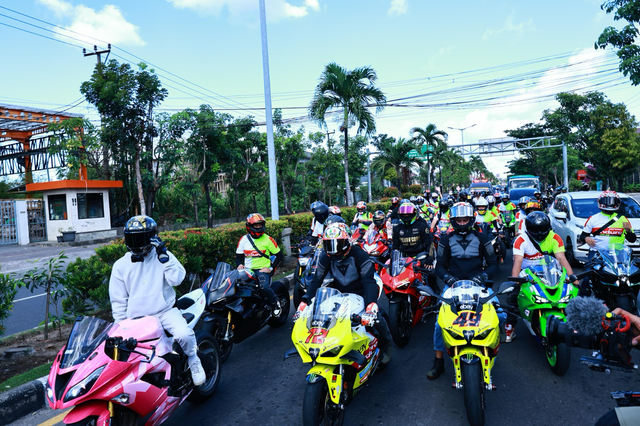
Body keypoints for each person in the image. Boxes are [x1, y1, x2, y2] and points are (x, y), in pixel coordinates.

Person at [109, 215, 206, 386]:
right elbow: (118, 301)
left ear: (151, 237)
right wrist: (120, 326)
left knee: (184, 334)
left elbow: (177, 279)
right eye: (132, 238)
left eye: (140, 238)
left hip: (164, 312)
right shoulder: (121, 265)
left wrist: (164, 256)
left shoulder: (163, 256)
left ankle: (193, 358)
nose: (136, 243)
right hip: (136, 320)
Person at [293, 223, 393, 365]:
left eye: (337, 244)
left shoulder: (360, 255)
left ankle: (386, 345)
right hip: (340, 292)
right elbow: (316, 281)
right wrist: (304, 302)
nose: (334, 250)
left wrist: (371, 305)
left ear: (347, 241)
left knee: (377, 318)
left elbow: (368, 282)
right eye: (329, 245)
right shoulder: (325, 256)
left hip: (362, 291)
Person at [427, 202, 501, 380]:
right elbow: (440, 267)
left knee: (500, 316)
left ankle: (490, 351)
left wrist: (482, 277)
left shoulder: (483, 239)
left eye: (465, 219)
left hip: (479, 284)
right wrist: (448, 279)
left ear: (472, 219)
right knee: (440, 324)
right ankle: (438, 361)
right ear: (453, 221)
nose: (461, 223)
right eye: (458, 220)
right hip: (453, 285)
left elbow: (493, 263)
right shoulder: (445, 240)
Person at [509, 211, 578, 342]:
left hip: (549, 270)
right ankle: (510, 325)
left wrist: (572, 276)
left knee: (569, 291)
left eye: (543, 229)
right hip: (526, 272)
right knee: (513, 297)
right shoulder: (520, 240)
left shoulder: (555, 237)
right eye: (535, 230)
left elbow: (561, 258)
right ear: (528, 229)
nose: (540, 233)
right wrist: (514, 282)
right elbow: (517, 262)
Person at [236, 213, 284, 314]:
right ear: (249, 226)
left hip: (262, 269)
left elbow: (279, 255)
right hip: (247, 270)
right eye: (256, 225)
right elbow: (239, 257)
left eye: (260, 225)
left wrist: (270, 268)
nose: (259, 227)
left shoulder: (268, 239)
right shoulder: (243, 240)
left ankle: (276, 303)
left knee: (264, 287)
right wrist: (239, 265)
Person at [578, 190, 636, 260]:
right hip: (597, 253)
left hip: (618, 254)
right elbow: (582, 236)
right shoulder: (593, 218)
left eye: (612, 201)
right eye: (606, 201)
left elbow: (632, 240)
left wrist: (628, 231)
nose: (610, 203)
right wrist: (586, 238)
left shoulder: (623, 219)